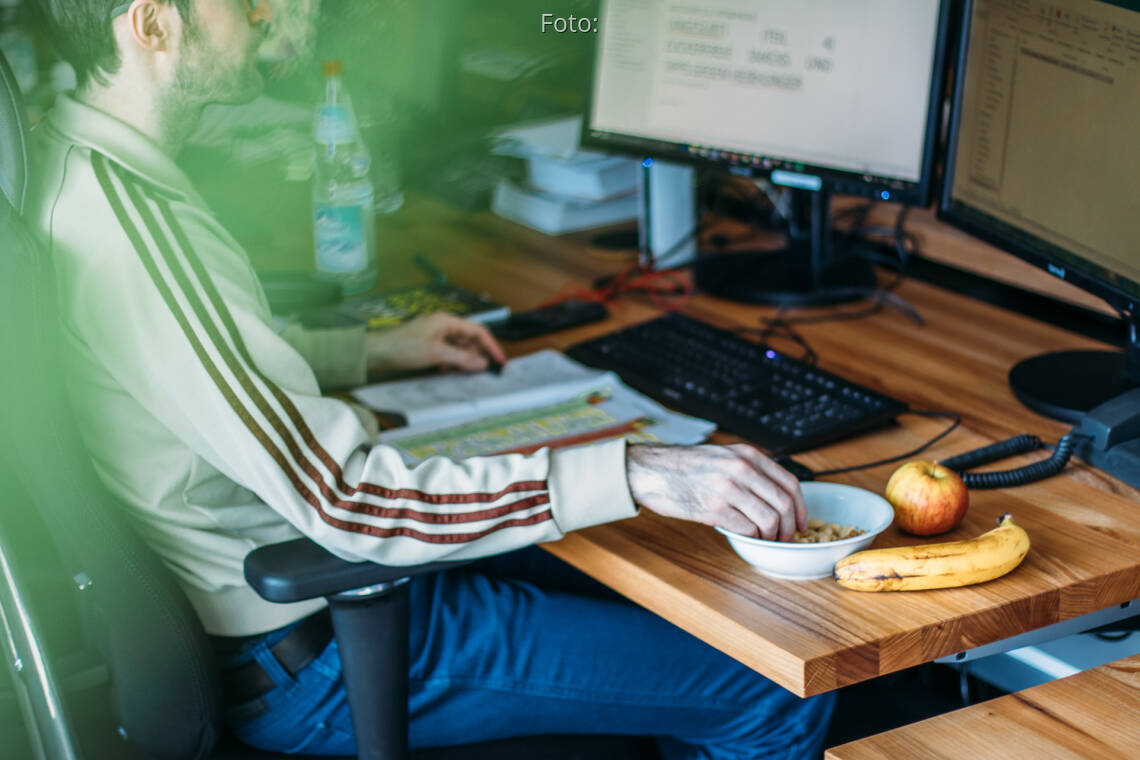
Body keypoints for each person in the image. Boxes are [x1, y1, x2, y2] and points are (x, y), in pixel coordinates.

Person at [26, 1, 836, 757]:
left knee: (671, 572)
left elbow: (194, 362)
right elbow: (347, 502)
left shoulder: (81, 165)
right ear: (152, 25)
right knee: (771, 684)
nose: (266, 13)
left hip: (309, 584)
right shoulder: (131, 229)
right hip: (318, 643)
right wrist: (635, 467)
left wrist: (371, 353)